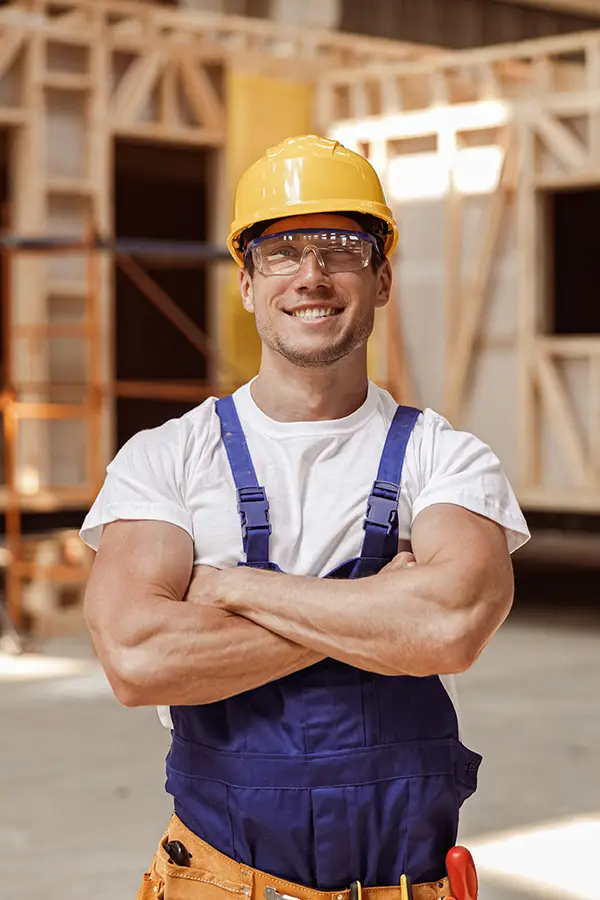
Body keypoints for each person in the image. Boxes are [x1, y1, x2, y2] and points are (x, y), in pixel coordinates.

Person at [81, 134, 530, 900]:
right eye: (282, 251)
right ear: (249, 283)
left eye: (341, 249)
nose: (312, 276)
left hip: (403, 885)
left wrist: (226, 586)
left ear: (382, 278)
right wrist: (380, 616)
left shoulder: (445, 457)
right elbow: (137, 658)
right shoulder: (166, 459)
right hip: (219, 885)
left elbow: (448, 628)